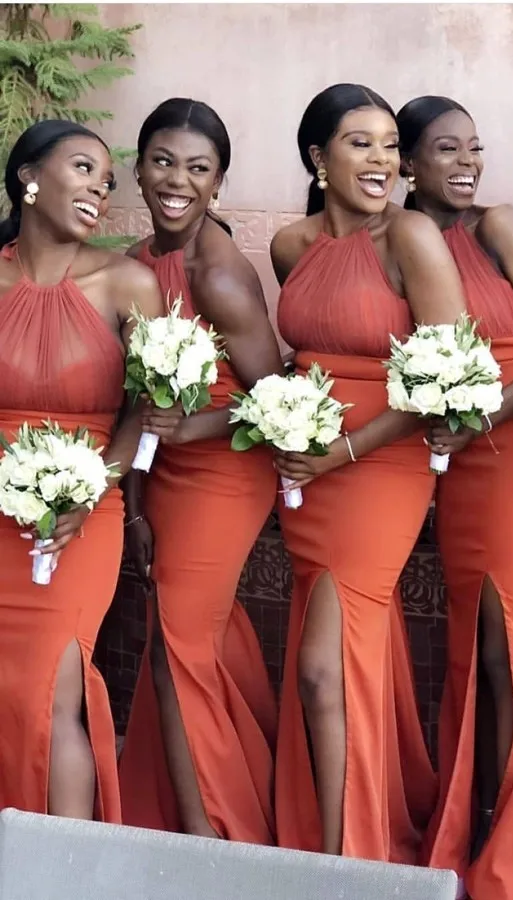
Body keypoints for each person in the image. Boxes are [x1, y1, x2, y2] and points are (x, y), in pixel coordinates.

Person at [395, 95, 513, 900]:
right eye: (447, 149)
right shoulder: (395, 242)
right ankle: (476, 820)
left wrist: (483, 417)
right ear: (407, 163)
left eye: (474, 147)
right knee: (474, 638)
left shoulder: (498, 226)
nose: (468, 162)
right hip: (452, 463)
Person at [270, 82, 466, 863]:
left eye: (390, 144)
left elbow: (449, 377)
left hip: (380, 468)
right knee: (343, 658)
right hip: (305, 470)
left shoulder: (411, 237)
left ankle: (343, 861)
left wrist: (342, 451)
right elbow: (305, 354)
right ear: (318, 158)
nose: (382, 159)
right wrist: (290, 419)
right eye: (361, 143)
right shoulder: (291, 245)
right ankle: (353, 829)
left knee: (323, 671)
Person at [118, 98, 282, 842]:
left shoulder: (219, 275)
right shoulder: (134, 265)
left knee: (174, 648)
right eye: (161, 161)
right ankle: (247, 786)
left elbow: (276, 403)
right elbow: (135, 401)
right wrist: (135, 505)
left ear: (218, 183)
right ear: (139, 170)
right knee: (188, 636)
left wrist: (191, 428)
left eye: (196, 168)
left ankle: (209, 839)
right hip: (161, 471)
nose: (176, 181)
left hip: (223, 471)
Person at [0, 120, 164, 820]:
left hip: (84, 515)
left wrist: (91, 492)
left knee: (51, 693)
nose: (99, 187)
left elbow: (145, 412)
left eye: (107, 179)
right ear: (28, 178)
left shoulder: (129, 283)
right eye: (83, 168)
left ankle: (62, 866)